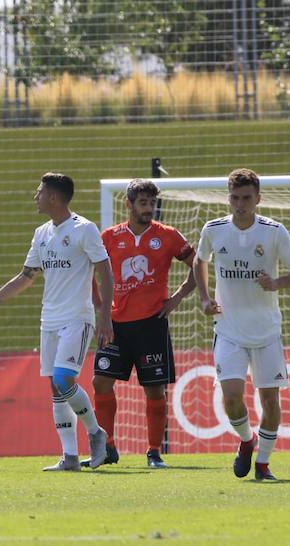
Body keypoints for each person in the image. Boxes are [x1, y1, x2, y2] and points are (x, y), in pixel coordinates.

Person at [0, 173, 113, 471]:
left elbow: (105, 270)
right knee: (56, 388)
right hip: (49, 320)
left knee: (64, 380)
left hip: (77, 319)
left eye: (39, 191)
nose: (35, 196)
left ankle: (96, 433)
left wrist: (105, 315)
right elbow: (26, 277)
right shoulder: (41, 233)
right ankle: (69, 457)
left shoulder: (84, 229)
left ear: (53, 197)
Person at [193, 168, 290, 481]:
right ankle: (246, 440)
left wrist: (276, 283)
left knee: (270, 401)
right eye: (235, 198)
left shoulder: (273, 231)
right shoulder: (214, 229)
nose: (240, 204)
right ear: (228, 198)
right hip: (228, 330)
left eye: (246, 198)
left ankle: (263, 465)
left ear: (258, 199)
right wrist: (204, 298)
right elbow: (200, 261)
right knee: (231, 398)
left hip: (266, 331)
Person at [90, 179, 196, 469]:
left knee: (154, 390)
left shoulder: (168, 236)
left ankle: (154, 452)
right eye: (143, 203)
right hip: (115, 325)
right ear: (129, 204)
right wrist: (100, 308)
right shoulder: (109, 237)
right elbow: (89, 271)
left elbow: (198, 264)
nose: (148, 208)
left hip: (152, 324)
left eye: (152, 203)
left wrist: (177, 298)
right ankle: (108, 446)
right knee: (100, 382)